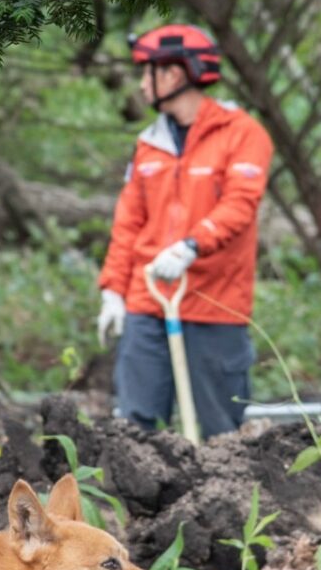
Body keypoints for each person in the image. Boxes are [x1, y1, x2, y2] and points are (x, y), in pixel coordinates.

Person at [96, 25, 273, 438]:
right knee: (133, 431)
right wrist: (113, 292)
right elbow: (128, 224)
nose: (142, 84)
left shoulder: (242, 134)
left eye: (147, 73)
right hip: (149, 302)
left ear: (174, 74)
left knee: (220, 434)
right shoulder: (149, 145)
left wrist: (192, 246)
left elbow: (240, 204)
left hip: (214, 304)